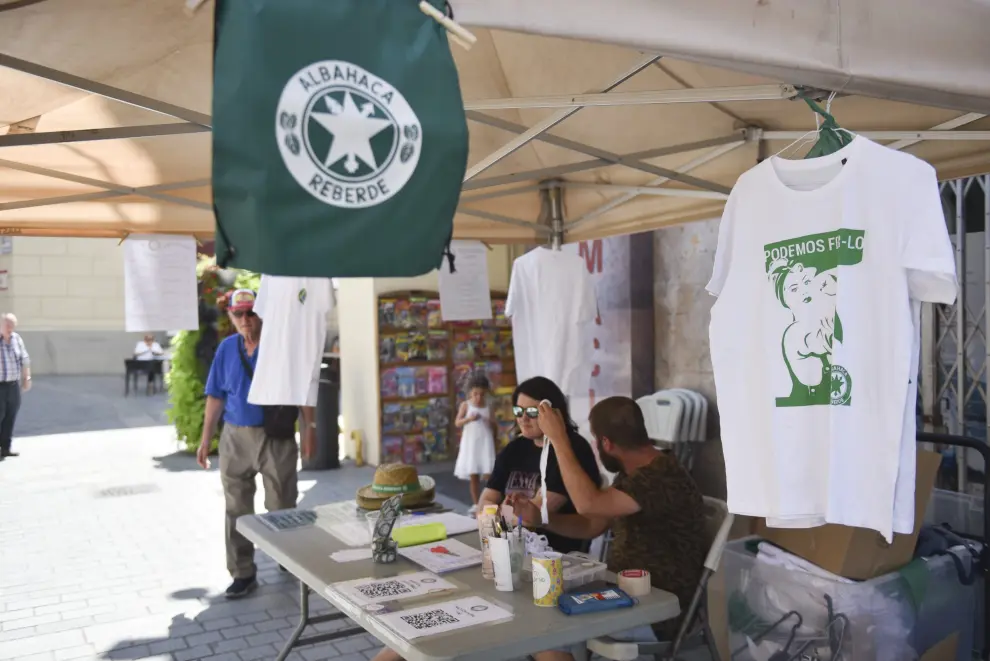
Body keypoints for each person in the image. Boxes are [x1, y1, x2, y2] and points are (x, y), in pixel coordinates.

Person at [509, 396, 708, 660]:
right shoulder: (638, 472)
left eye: (595, 440)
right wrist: (543, 519)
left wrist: (559, 439)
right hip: (624, 593)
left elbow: (588, 504)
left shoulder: (659, 477)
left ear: (606, 443)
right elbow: (593, 524)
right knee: (540, 612)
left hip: (656, 608)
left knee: (546, 632)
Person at [197, 289, 317, 599]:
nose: (246, 319)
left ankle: (287, 558)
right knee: (236, 508)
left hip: (275, 436)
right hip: (235, 436)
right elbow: (215, 395)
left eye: (251, 313)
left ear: (262, 314)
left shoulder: (280, 348)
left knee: (281, 504)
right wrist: (205, 439)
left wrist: (309, 431)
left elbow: (302, 390)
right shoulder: (226, 349)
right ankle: (243, 572)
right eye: (239, 314)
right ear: (231, 316)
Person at [478, 376, 601, 554]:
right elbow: (484, 504)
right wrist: (499, 515)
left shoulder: (571, 449)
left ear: (553, 413)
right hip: (511, 547)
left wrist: (495, 514)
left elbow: (531, 516)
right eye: (518, 411)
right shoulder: (514, 448)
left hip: (555, 553)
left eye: (532, 412)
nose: (523, 418)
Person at [453, 375, 497, 514]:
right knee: (474, 474)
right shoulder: (466, 405)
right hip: (471, 444)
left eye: (482, 394)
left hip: (485, 443)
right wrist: (468, 419)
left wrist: (488, 421)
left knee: (490, 473)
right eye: (475, 394)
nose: (478, 397)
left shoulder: (488, 407)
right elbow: (457, 422)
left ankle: (491, 500)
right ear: (470, 393)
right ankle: (476, 503)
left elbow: (495, 426)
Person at [0, 313, 30, 460]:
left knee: (10, 417)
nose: (10, 328)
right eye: (7, 325)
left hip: (13, 386)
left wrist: (27, 378)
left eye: (13, 325)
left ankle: (5, 448)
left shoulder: (17, 339)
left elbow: (24, 359)